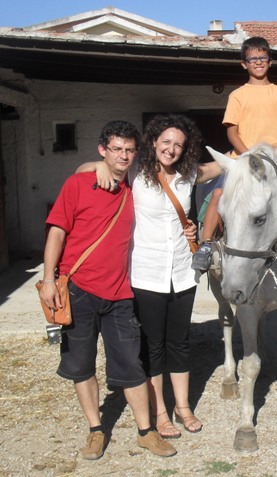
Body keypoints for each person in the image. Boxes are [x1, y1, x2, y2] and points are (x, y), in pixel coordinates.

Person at [39, 120, 177, 460]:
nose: (124, 156)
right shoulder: (79, 183)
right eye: (116, 149)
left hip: (119, 294)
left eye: (130, 150)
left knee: (131, 365)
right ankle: (96, 430)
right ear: (103, 150)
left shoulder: (135, 186)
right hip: (78, 291)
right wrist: (46, 279)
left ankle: (146, 431)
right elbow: (56, 232)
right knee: (82, 365)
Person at [77, 114, 221, 440]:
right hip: (146, 272)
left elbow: (218, 167)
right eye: (166, 141)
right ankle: (160, 412)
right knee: (152, 345)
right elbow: (80, 171)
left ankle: (183, 407)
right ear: (153, 142)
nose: (171, 149)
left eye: (179, 145)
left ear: (186, 150)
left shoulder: (187, 175)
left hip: (182, 271)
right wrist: (98, 166)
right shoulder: (136, 175)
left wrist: (258, 149)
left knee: (180, 342)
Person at [192, 36, 277, 271]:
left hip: (275, 159)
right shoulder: (237, 95)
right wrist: (249, 157)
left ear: (270, 61)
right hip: (241, 158)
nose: (258, 62)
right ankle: (206, 244)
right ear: (244, 64)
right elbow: (232, 134)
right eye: (253, 58)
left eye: (262, 57)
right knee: (219, 194)